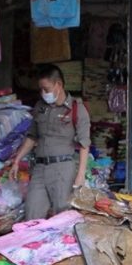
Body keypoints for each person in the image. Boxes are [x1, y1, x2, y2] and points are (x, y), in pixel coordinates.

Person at [10, 64, 91, 220]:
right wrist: (17, 161)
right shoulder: (40, 107)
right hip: (40, 168)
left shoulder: (77, 109)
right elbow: (32, 136)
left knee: (63, 217)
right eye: (40, 89)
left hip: (63, 169)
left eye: (46, 89)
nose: (43, 93)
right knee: (32, 215)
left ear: (58, 85)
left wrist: (80, 175)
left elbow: (84, 145)